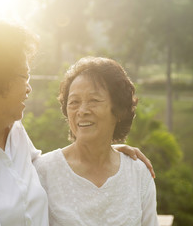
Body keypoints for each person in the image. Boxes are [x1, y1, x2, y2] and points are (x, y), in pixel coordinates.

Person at [0, 17, 154, 226]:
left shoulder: (14, 133)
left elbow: (51, 169)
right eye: (24, 76)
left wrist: (104, 149)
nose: (29, 88)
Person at [34, 57, 159, 226]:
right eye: (74, 102)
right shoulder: (42, 172)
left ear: (118, 110)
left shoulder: (138, 173)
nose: (82, 111)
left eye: (94, 100)